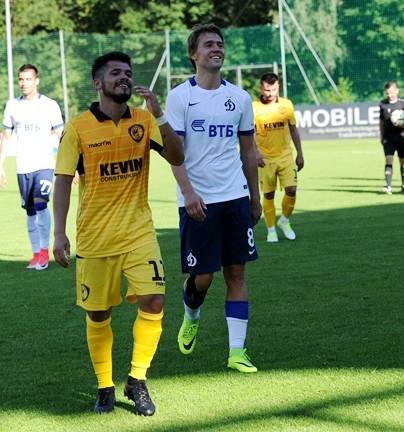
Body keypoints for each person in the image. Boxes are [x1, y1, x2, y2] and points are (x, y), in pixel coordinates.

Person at [53, 51, 184, 415]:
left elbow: (177, 156)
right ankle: (104, 386)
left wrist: (160, 114)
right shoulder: (78, 128)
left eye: (127, 72)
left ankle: (137, 380)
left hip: (139, 234)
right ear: (98, 83)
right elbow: (62, 181)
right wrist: (59, 233)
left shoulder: (144, 119)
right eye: (115, 73)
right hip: (95, 240)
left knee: (154, 301)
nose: (124, 77)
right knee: (98, 315)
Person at [165, 24, 261, 373]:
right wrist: (188, 192)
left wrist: (254, 198)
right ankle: (191, 314)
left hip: (235, 196)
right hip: (198, 201)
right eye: (208, 44)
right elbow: (174, 153)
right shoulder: (180, 97)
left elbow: (248, 151)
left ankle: (237, 352)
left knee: (236, 272)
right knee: (203, 277)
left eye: (219, 44)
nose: (216, 49)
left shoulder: (240, 98)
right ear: (193, 54)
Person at [0, 64, 63, 270]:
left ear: (37, 81)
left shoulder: (50, 105)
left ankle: (44, 251)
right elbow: (6, 137)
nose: (24, 83)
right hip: (22, 167)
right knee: (29, 211)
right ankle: (35, 253)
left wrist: (71, 164)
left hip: (44, 165)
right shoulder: (12, 106)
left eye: (28, 79)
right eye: (21, 79)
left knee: (41, 204)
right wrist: (0, 166)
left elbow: (62, 136)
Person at [253, 72, 304, 242]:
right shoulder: (254, 107)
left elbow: (293, 130)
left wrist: (300, 153)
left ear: (278, 87)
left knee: (292, 189)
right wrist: (255, 152)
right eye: (267, 90)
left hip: (285, 156)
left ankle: (284, 220)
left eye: (273, 90)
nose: (270, 93)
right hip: (265, 158)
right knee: (268, 195)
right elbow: (249, 133)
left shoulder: (286, 105)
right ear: (261, 88)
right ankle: (271, 230)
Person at [378, 81, 404, 194]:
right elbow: (381, 121)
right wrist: (381, 135)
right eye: (387, 93)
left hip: (402, 137)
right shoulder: (383, 104)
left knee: (403, 161)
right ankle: (388, 186)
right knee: (388, 160)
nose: (390, 95)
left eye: (392, 92)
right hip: (388, 138)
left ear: (397, 91)